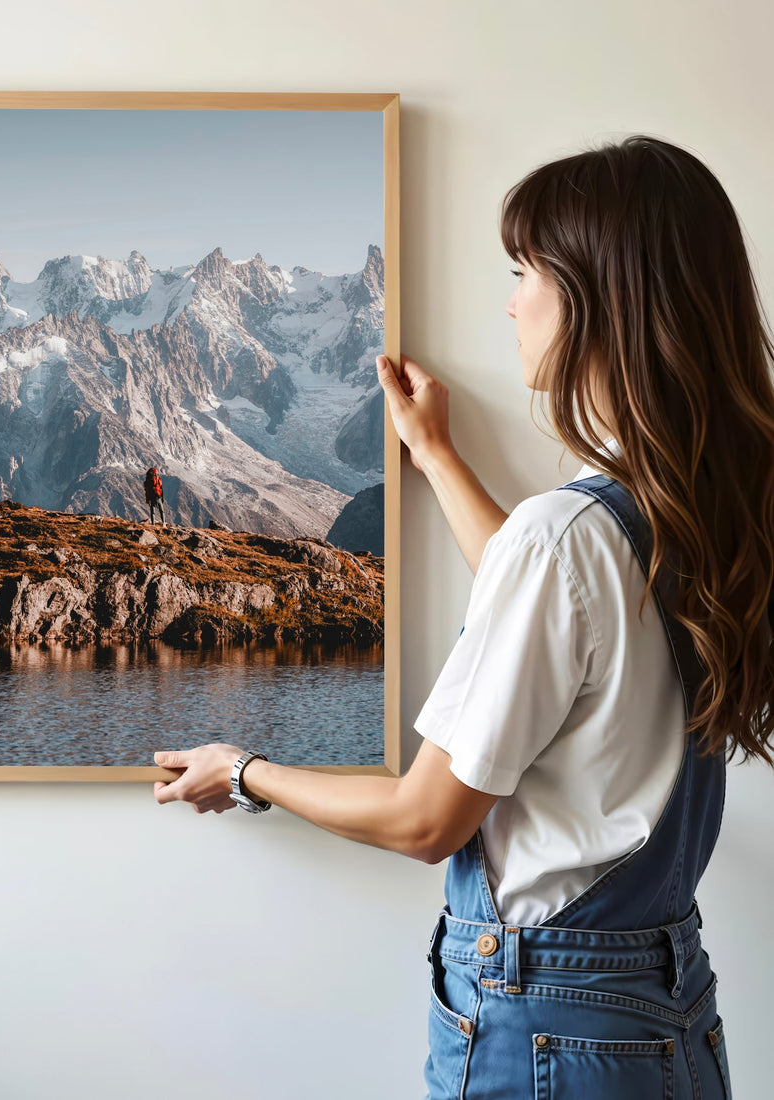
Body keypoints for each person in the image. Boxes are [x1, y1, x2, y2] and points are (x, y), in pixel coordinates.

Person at [152, 134, 774, 1098]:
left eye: (526, 272)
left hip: (547, 1030)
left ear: (598, 300)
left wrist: (243, 771)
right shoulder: (692, 508)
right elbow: (563, 622)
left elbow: (424, 819)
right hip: (663, 1016)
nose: (511, 300)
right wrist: (437, 456)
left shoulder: (568, 537)